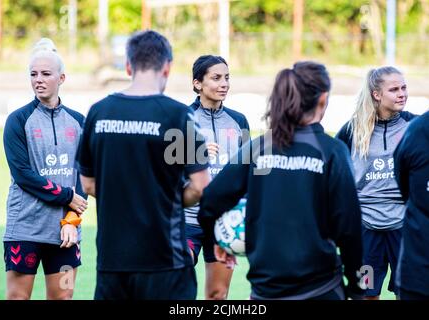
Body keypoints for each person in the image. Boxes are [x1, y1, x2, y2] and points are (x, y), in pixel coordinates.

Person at [198, 61, 364, 300]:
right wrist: (358, 287)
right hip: (321, 289)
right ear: (323, 99)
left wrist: (218, 239)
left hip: (266, 292)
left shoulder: (259, 147)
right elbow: (350, 230)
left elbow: (211, 200)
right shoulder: (332, 151)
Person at [76, 30, 211, 300]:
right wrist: (162, 199)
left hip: (113, 261)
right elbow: (200, 186)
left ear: (128, 66)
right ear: (167, 67)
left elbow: (87, 183)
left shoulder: (99, 112)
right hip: (165, 260)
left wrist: (126, 196)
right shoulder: (177, 115)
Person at [3, 38, 88, 300]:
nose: (38, 79)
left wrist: (72, 220)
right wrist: (67, 196)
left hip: (65, 232)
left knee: (62, 297)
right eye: (33, 74)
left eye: (46, 74)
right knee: (18, 297)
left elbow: (84, 175)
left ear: (61, 77)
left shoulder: (79, 122)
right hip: (25, 228)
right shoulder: (17, 120)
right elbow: (23, 175)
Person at [336, 66, 416, 299]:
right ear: (376, 94)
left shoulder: (415, 127)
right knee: (366, 293)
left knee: (409, 292)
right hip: (364, 230)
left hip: (404, 227)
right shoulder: (350, 131)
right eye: (393, 89)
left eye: (403, 87)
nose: (401, 93)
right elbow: (337, 177)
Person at [184, 55, 250, 300]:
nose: (224, 84)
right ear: (198, 83)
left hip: (224, 223)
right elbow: (165, 172)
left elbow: (246, 173)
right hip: (187, 220)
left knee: (218, 294)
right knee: (177, 288)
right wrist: (195, 155)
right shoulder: (182, 119)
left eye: (227, 78)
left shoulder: (239, 120)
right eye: (216, 78)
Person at [393, 70, 429, 300]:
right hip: (423, 275)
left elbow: (405, 189)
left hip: (421, 275)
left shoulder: (416, 130)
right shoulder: (418, 130)